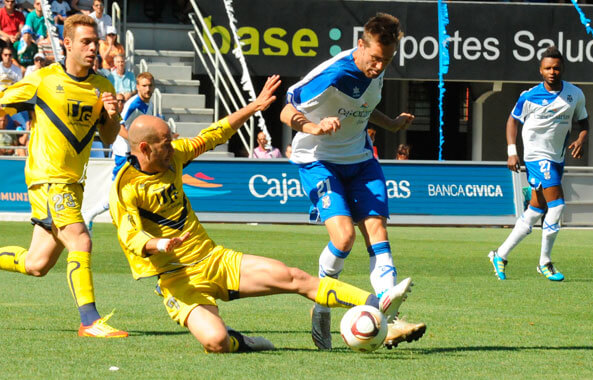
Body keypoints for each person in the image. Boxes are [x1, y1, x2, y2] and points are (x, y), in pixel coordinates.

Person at [109, 75, 418, 352]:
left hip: (213, 260)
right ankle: (242, 342)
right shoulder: (125, 187)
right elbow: (130, 235)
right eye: (166, 142)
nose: (173, 145)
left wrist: (254, 106)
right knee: (216, 342)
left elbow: (214, 134)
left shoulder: (174, 156)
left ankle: (378, 305)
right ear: (145, 149)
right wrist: (158, 245)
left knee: (294, 277)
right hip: (178, 281)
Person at [280, 13, 424, 350]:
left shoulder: (379, 66)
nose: (378, 67)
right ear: (360, 45)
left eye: (386, 60)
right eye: (374, 58)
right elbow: (287, 108)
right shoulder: (334, 73)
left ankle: (390, 316)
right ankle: (323, 299)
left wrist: (389, 124)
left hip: (361, 159)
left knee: (378, 232)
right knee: (343, 238)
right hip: (318, 160)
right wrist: (313, 127)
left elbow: (360, 106)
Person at [0, 14, 127, 338]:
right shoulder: (43, 80)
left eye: (95, 42)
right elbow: (4, 103)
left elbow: (110, 138)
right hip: (48, 179)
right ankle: (90, 321)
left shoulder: (102, 86)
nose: (92, 48)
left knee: (36, 265)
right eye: (85, 42)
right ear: (66, 44)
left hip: (73, 183)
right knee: (80, 239)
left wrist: (111, 116)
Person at [488, 46, 589, 282]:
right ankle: (545, 262)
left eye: (556, 67)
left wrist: (581, 139)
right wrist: (512, 152)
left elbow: (584, 122)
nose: (552, 72)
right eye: (547, 68)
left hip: (557, 158)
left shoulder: (575, 94)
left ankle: (499, 255)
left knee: (535, 211)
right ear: (540, 70)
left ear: (562, 68)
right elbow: (512, 122)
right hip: (536, 157)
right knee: (557, 207)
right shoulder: (529, 96)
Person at [83, 71, 154, 231]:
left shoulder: (148, 103)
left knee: (131, 189)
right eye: (144, 86)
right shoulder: (133, 104)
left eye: (150, 85)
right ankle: (89, 214)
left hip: (133, 153)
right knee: (117, 190)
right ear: (137, 87)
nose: (147, 89)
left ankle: (135, 222)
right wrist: (134, 142)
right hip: (125, 153)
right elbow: (119, 126)